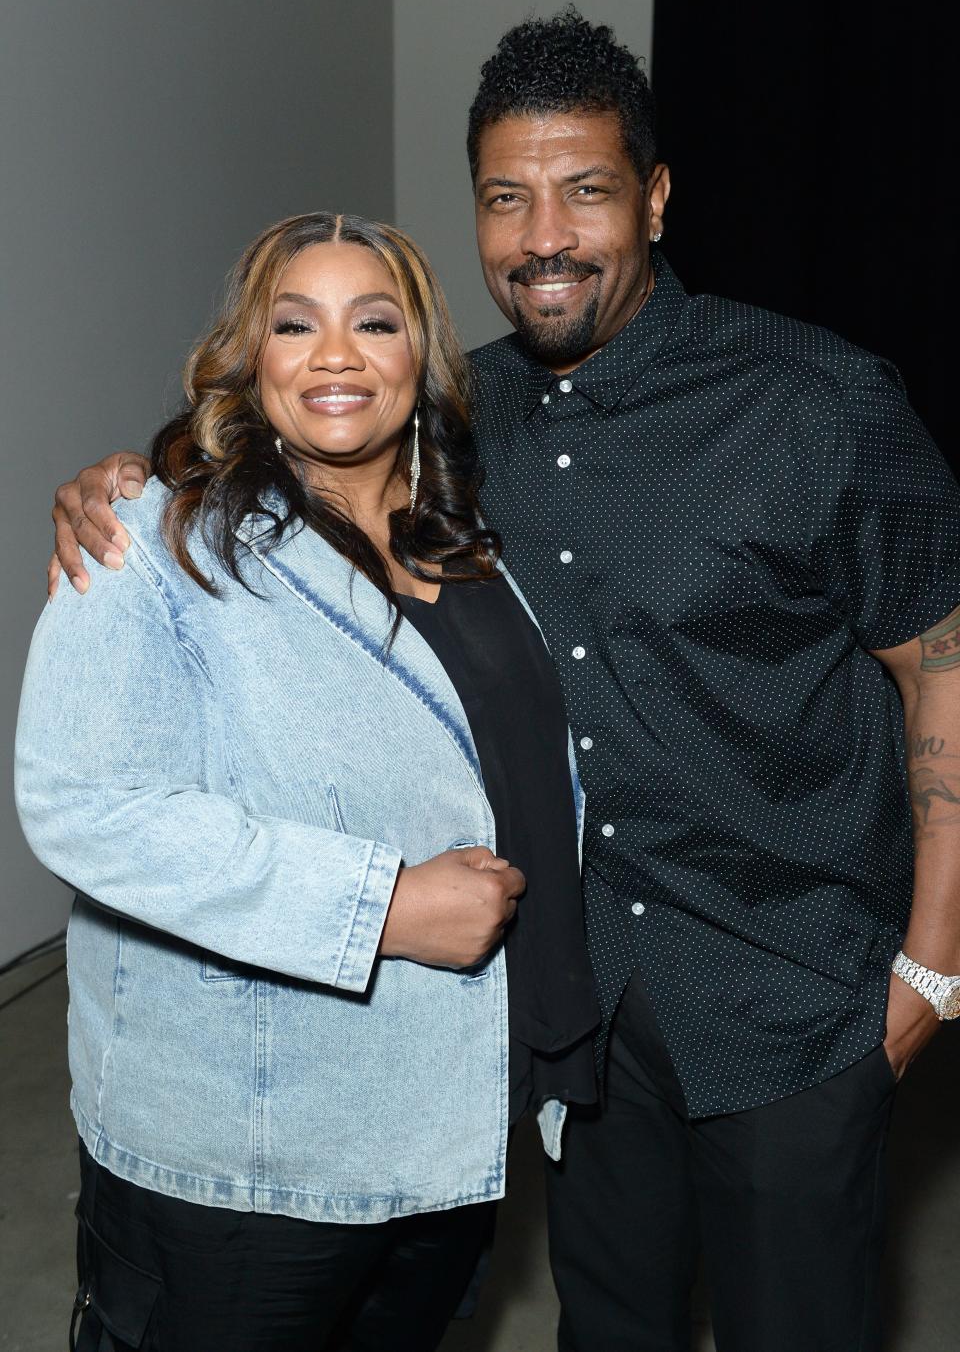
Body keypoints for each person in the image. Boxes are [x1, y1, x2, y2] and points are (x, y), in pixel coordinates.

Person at [46, 9, 960, 1352]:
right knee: (610, 1327)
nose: (544, 237)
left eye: (586, 191)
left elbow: (939, 658)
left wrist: (935, 962)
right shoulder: (460, 420)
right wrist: (135, 473)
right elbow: (301, 428)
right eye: (506, 198)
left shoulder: (819, 403)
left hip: (791, 989)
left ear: (652, 198)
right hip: (574, 1006)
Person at [16, 210, 600, 1352]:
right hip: (249, 1159)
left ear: (418, 359)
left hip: (447, 1129)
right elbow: (82, 798)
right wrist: (378, 904)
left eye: (373, 321)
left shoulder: (470, 545)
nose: (336, 353)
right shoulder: (156, 535)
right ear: (250, 359)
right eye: (296, 323)